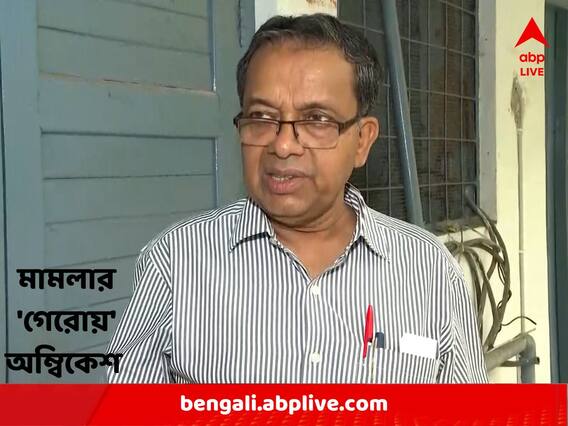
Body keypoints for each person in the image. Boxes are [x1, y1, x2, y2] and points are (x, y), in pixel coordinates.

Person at [106, 14, 488, 383]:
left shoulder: (429, 271)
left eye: (317, 119)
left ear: (362, 140)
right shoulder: (175, 264)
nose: (283, 145)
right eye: (261, 117)